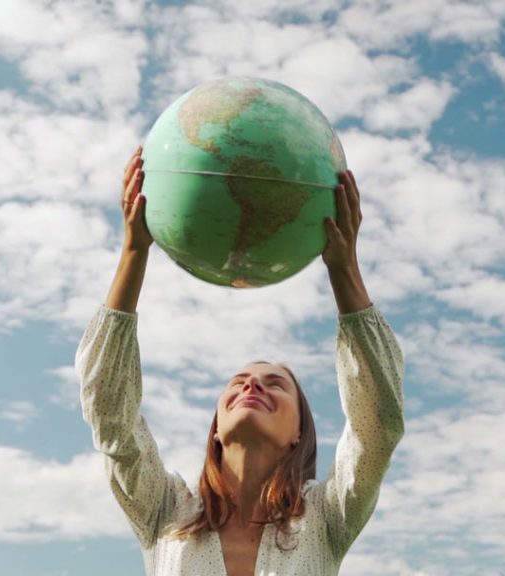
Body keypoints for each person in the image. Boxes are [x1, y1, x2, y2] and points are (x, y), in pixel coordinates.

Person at [76, 146, 404, 575]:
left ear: (298, 432)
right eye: (239, 381)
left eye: (275, 383)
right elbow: (110, 413)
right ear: (215, 430)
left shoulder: (326, 519)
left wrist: (344, 269)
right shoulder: (163, 510)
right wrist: (134, 253)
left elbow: (376, 426)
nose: (252, 385)